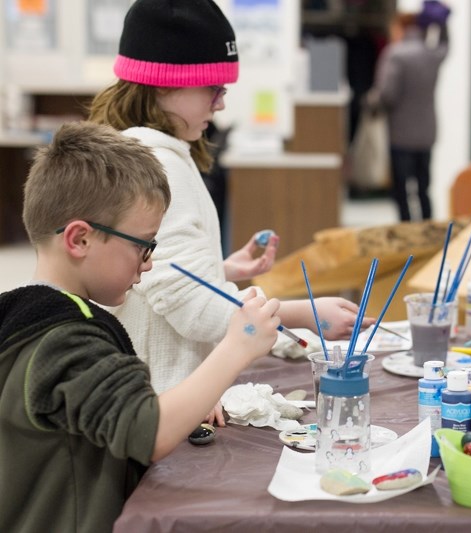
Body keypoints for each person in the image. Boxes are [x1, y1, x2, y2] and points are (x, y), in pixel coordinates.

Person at [88, 0, 373, 415]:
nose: (220, 104)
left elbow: (157, 278)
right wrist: (302, 313)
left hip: (166, 393)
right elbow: (193, 309)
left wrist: (217, 270)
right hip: (163, 401)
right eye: (213, 89)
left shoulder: (148, 152)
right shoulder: (158, 166)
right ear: (165, 83)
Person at [0, 121, 281, 532]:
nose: (148, 263)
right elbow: (149, 433)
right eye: (143, 245)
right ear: (79, 240)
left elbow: (110, 411)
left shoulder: (27, 316)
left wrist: (185, 398)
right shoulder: (66, 339)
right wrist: (239, 345)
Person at [367, 1, 449, 221]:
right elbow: (445, 45)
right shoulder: (431, 54)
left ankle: (406, 232)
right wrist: (441, 24)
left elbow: (388, 95)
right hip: (426, 133)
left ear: (400, 27)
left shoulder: (396, 55)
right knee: (423, 188)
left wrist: (372, 100)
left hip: (401, 134)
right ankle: (429, 232)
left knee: (402, 189)